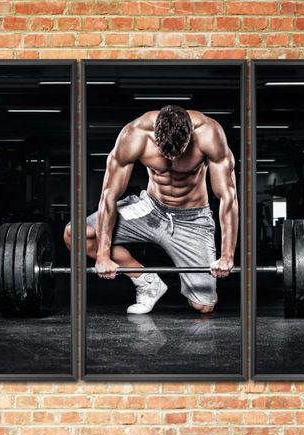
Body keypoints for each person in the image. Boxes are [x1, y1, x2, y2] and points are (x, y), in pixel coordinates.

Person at [64, 105, 238, 314]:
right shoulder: (135, 134)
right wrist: (102, 254)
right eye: (166, 154)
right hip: (149, 209)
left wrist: (227, 255)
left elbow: (228, 197)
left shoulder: (209, 134)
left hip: (192, 219)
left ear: (190, 135)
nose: (172, 160)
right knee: (77, 234)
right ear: (156, 136)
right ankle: (146, 282)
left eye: (179, 153)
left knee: (203, 305)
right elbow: (109, 195)